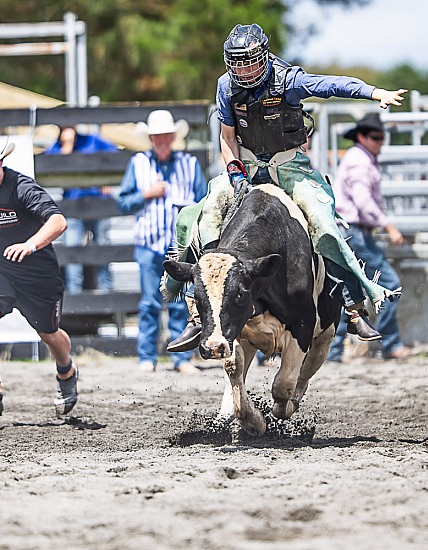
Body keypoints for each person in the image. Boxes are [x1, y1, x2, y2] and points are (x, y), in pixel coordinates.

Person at [164, 23, 407, 352]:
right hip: (246, 165)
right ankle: (196, 311)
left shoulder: (288, 80)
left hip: (289, 165)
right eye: (237, 63)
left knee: (325, 225)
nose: (244, 70)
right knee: (197, 218)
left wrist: (373, 92)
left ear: (263, 57)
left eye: (249, 62)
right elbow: (226, 136)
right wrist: (235, 171)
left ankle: (353, 305)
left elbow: (331, 85)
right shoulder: (226, 87)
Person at [0, 134, 78, 417]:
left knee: (49, 334)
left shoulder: (22, 186)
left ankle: (66, 370)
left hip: (37, 275)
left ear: (3, 160)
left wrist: (31, 245)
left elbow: (58, 221)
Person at [117, 110, 207, 373]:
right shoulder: (138, 163)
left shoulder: (189, 164)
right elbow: (123, 202)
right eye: (157, 137)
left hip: (181, 246)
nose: (162, 141)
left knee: (182, 303)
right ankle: (147, 357)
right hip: (148, 243)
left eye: (165, 136)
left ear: (172, 136)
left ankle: (182, 358)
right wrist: (146, 194)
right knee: (149, 302)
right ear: (151, 138)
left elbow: (203, 201)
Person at [328, 113, 417, 361]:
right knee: (389, 285)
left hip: (349, 231)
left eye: (382, 137)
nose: (380, 142)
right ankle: (390, 344)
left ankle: (333, 351)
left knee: (346, 289)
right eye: (375, 137)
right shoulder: (360, 162)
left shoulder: (358, 159)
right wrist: (388, 226)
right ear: (362, 137)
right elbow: (363, 201)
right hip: (356, 232)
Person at [46, 126, 118, 293]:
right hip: (73, 206)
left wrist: (106, 178)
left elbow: (115, 155)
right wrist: (67, 147)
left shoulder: (93, 139)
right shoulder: (57, 146)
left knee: (103, 251)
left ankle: (107, 296)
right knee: (72, 253)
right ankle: (74, 298)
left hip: (99, 203)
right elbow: (50, 168)